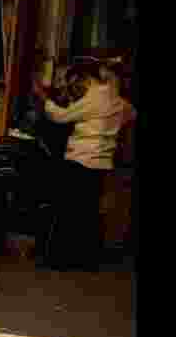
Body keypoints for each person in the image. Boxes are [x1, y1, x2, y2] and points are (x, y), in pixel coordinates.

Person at [31, 58, 136, 270]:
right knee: (88, 213)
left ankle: (60, 260)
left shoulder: (97, 95)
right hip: (101, 165)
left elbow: (61, 116)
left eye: (76, 80)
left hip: (80, 159)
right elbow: (132, 114)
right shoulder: (118, 101)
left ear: (86, 78)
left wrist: (43, 98)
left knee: (67, 211)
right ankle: (86, 260)